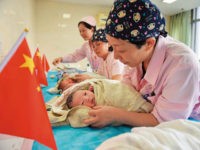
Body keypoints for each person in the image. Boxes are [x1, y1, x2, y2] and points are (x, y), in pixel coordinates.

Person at [83, 0, 200, 128]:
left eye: (121, 50)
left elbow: (165, 122)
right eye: (112, 47)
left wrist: (115, 115)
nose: (115, 56)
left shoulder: (182, 64)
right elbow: (126, 92)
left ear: (149, 44)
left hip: (190, 121)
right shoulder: (135, 57)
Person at [47, 79, 153, 127]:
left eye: (85, 94)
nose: (87, 98)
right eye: (83, 103)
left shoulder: (98, 87)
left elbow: (116, 86)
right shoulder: (94, 109)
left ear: (89, 89)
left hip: (142, 102)